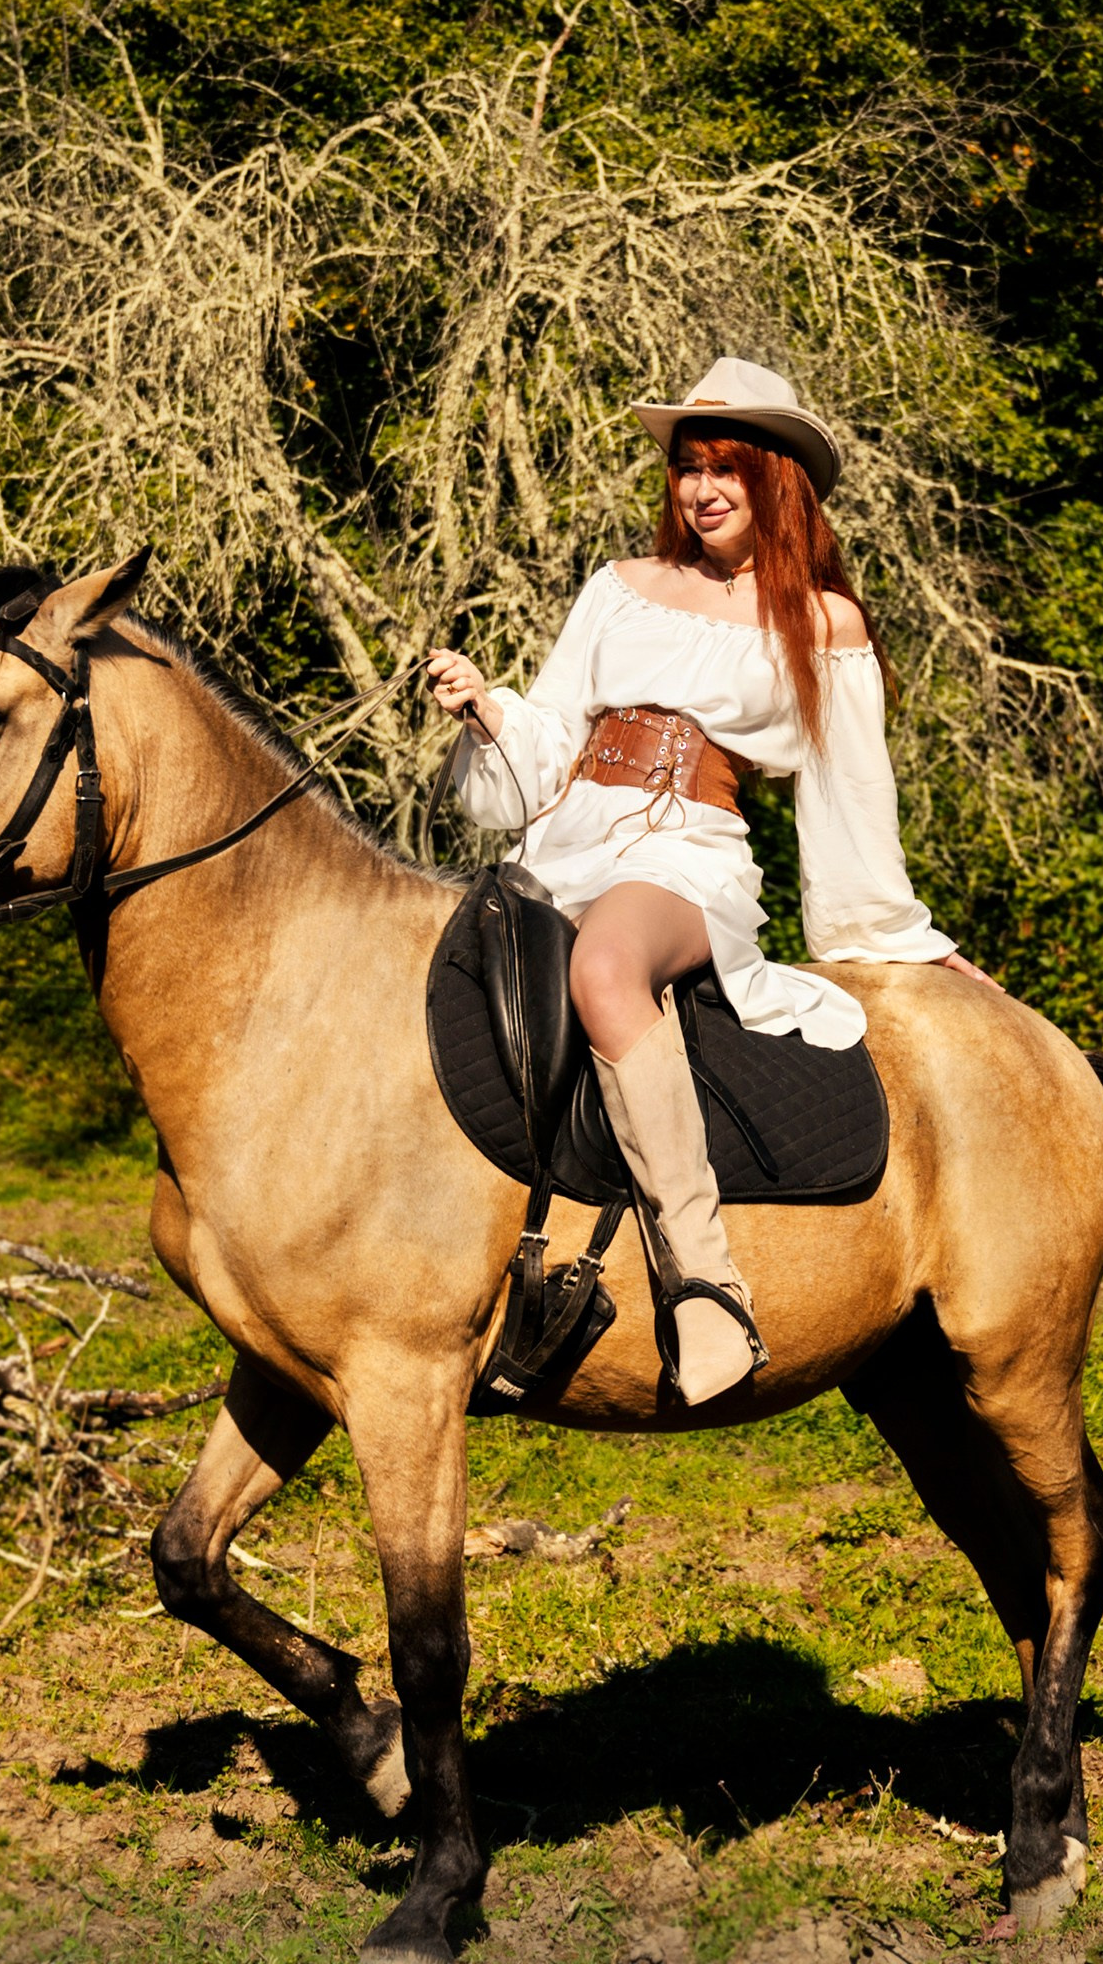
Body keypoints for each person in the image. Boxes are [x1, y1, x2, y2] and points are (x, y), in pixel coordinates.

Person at [425, 357, 992, 1407]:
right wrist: (488, 706)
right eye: (688, 467)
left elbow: (849, 795)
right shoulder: (618, 588)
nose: (701, 488)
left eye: (725, 467)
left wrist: (899, 935)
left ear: (775, 478)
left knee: (605, 967)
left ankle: (703, 1279)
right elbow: (551, 742)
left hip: (683, 853)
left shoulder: (823, 623)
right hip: (566, 833)